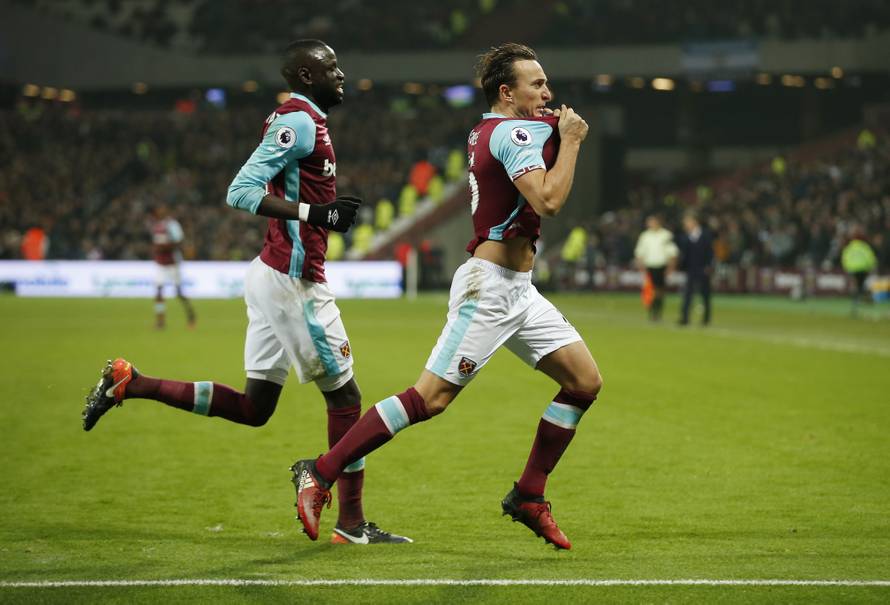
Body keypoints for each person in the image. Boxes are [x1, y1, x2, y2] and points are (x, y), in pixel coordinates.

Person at [81, 39, 410, 545]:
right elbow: (241, 190)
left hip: (270, 274)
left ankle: (133, 383)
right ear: (305, 75)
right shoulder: (297, 120)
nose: (342, 74)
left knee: (256, 408)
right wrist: (315, 214)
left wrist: (316, 211)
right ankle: (350, 520)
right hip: (292, 281)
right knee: (345, 396)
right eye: (331, 68)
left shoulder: (310, 121)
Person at [290, 42, 603, 550]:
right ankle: (319, 471)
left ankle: (529, 494)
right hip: (489, 289)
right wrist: (570, 141)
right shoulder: (513, 131)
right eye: (537, 83)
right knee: (429, 399)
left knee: (584, 382)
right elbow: (549, 199)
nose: (548, 91)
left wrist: (557, 130)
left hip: (520, 292)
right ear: (507, 92)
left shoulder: (489, 129)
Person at [150, 204, 196, 329]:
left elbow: (179, 241)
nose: (160, 211)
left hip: (172, 263)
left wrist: (165, 247)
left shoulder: (172, 225)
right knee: (159, 292)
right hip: (160, 263)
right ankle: (160, 322)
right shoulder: (156, 226)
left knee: (178, 293)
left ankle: (191, 316)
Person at [634, 214, 677, 321]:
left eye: (652, 222)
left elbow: (672, 253)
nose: (650, 224)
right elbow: (639, 253)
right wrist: (641, 266)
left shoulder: (666, 235)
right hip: (649, 266)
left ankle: (658, 311)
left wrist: (671, 267)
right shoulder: (645, 236)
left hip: (661, 266)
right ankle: (652, 312)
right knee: (650, 290)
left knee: (660, 291)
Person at [676, 211, 713, 326]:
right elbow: (684, 255)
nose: (685, 224)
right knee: (687, 294)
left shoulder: (705, 235)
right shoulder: (685, 237)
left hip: (703, 268)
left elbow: (710, 252)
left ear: (694, 222)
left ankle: (706, 318)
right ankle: (685, 317)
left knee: (705, 294)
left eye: (687, 222)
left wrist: (709, 265)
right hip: (691, 269)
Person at [841, 228, 877, 317]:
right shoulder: (865, 247)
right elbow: (870, 258)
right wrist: (871, 267)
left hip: (853, 269)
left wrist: (846, 268)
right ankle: (866, 298)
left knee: (856, 287)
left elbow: (845, 258)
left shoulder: (849, 247)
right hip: (863, 269)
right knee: (860, 286)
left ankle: (856, 305)